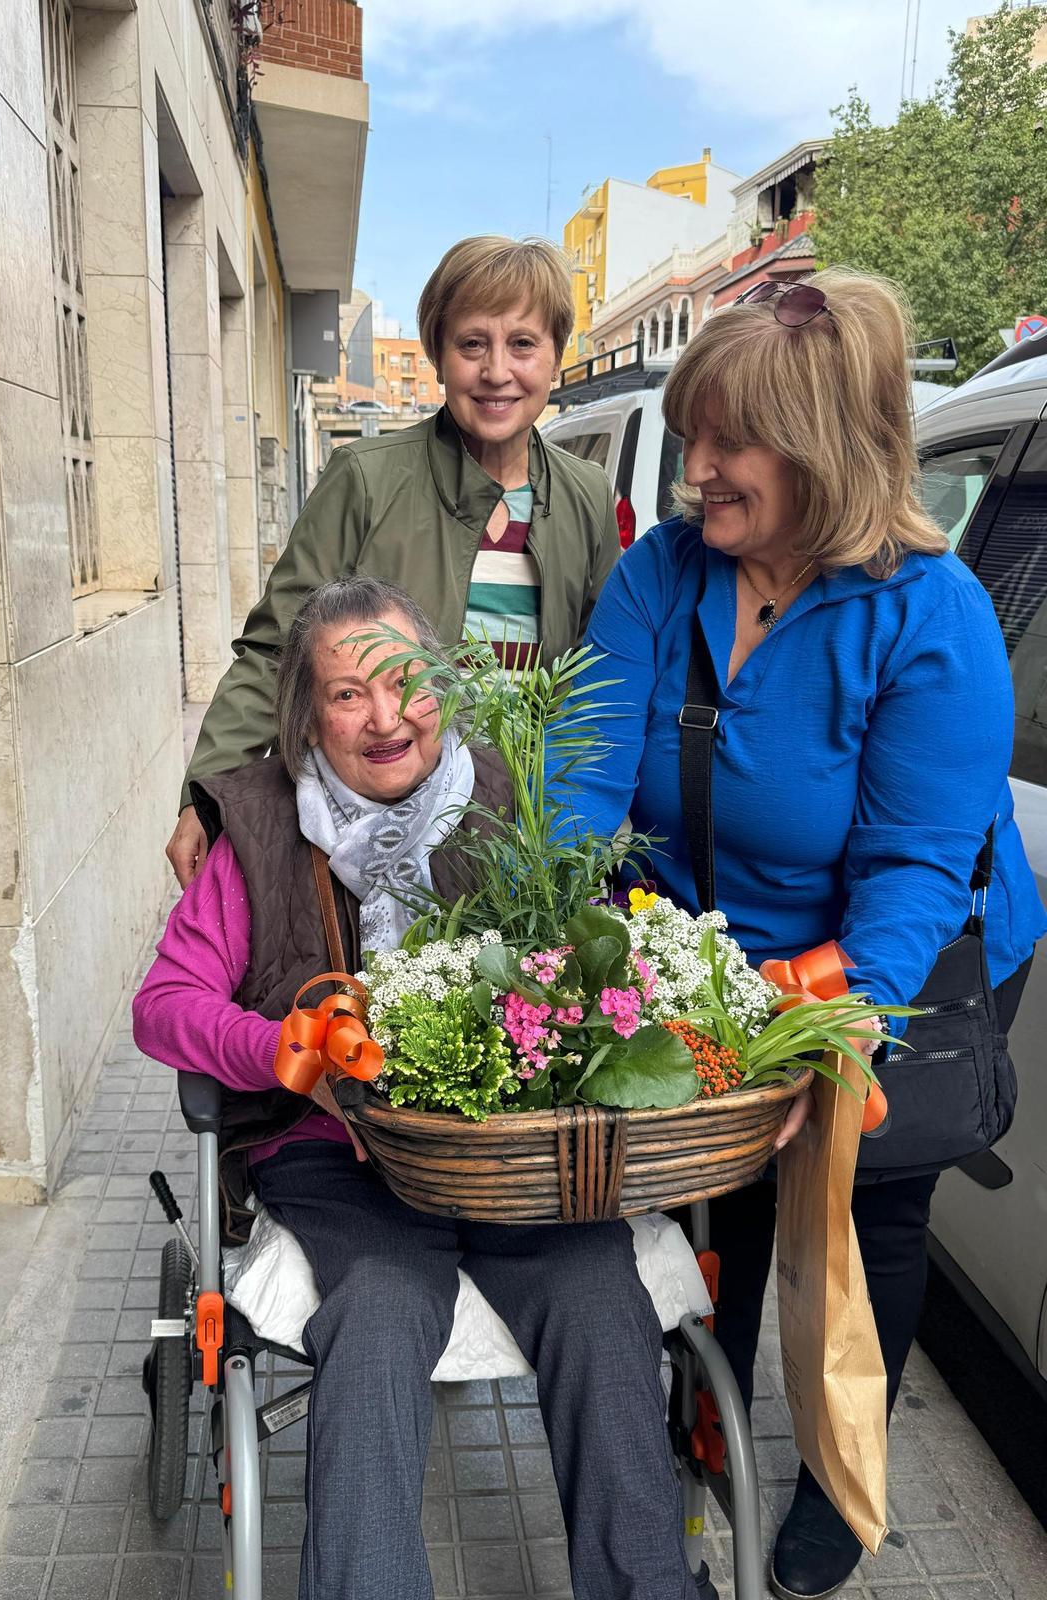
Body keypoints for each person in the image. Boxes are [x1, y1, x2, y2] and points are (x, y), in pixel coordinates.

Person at [552, 268, 1046, 1600]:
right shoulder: (662, 574)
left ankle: (839, 1471)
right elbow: (583, 769)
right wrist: (562, 927)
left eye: (731, 442)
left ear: (822, 447)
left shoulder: (929, 614)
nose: (695, 470)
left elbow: (911, 867)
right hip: (711, 954)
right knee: (716, 1199)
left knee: (859, 1212)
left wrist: (824, 1042)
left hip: (885, 964)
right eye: (692, 434)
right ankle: (707, 1423)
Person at [134, 575, 701, 1600]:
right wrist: (292, 1050)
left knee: (596, 1293)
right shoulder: (258, 824)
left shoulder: (514, 798)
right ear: (308, 720)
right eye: (348, 695)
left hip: (509, 1153)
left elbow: (603, 950)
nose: (385, 717)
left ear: (445, 685)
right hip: (337, 1160)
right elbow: (165, 1004)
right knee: (381, 1309)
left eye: (405, 682)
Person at [166, 234, 620, 886]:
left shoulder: (586, 494)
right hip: (378, 833)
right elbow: (277, 650)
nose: (497, 371)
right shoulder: (366, 479)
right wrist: (206, 795)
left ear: (555, 356)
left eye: (523, 343)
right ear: (438, 355)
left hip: (528, 829)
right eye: (472, 344)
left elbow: (605, 680)